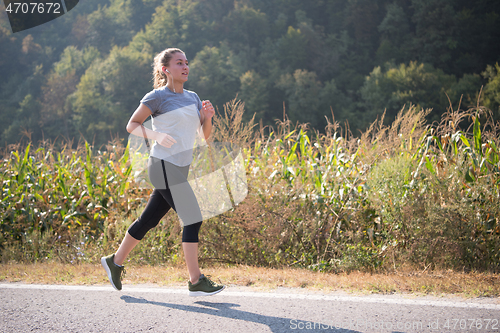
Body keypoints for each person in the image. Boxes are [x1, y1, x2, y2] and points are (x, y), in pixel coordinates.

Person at [101, 47, 225, 296]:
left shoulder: (193, 97)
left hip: (180, 167)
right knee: (193, 217)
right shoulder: (156, 97)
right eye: (179, 63)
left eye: (187, 62)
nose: (185, 66)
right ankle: (195, 280)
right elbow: (132, 125)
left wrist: (208, 117)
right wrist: (157, 135)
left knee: (149, 220)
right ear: (165, 69)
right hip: (161, 165)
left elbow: (202, 137)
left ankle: (114, 261)